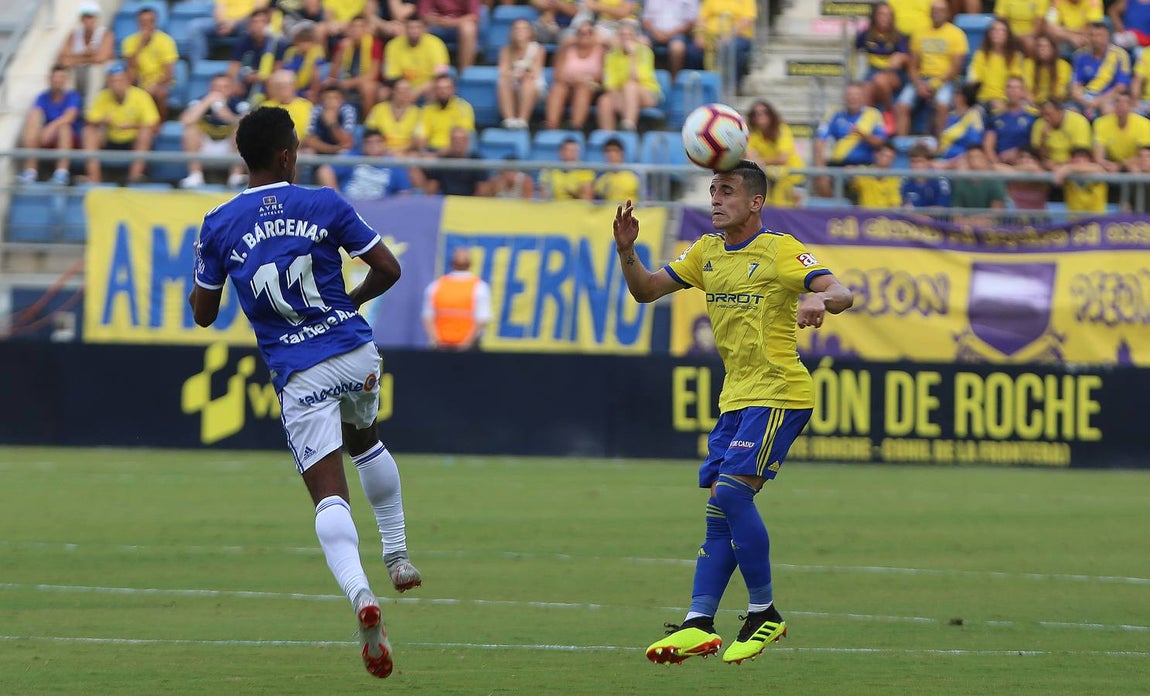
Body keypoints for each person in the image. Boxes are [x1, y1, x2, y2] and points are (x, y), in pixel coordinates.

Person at [188, 106, 420, 681]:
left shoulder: (218, 222)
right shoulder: (325, 202)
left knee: (329, 497)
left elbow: (203, 312)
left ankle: (364, 597)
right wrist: (350, 302)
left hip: (300, 371)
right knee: (366, 440)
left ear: (245, 158)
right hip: (354, 351)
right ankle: (398, 554)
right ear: (289, 155)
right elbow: (388, 268)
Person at [610, 160, 852, 666]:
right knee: (719, 511)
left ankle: (764, 612)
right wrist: (627, 250)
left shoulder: (781, 250)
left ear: (756, 202)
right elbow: (646, 290)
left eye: (727, 191)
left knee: (731, 491)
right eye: (712, 190)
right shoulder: (707, 252)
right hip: (735, 400)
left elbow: (840, 290)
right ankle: (699, 623)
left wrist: (821, 302)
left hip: (780, 392)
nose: (715, 199)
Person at [894, 0, 969, 137]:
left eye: (940, 10)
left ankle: (940, 145)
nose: (936, 13)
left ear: (947, 13)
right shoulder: (919, 33)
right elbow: (913, 65)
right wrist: (918, 84)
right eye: (934, 10)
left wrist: (936, 83)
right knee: (902, 105)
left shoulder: (956, 34)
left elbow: (956, 67)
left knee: (942, 104)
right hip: (922, 78)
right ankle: (901, 143)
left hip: (946, 79)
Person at [81, 64, 160, 184]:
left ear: (127, 81)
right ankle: (94, 177)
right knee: (88, 131)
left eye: (119, 81)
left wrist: (133, 125)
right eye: (112, 81)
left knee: (145, 133)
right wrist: (102, 120)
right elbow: (89, 120)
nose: (116, 85)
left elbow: (154, 125)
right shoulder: (103, 96)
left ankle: (134, 177)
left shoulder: (141, 96)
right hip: (109, 139)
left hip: (132, 141)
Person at [813, 82, 887, 197]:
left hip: (864, 165)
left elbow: (880, 142)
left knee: (856, 178)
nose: (852, 98)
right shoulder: (835, 114)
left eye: (856, 95)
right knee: (820, 179)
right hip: (838, 164)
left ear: (862, 97)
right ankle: (831, 212)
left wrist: (863, 134)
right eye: (849, 95)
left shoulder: (873, 114)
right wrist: (820, 168)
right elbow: (820, 140)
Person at [178, 73, 250, 189]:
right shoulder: (199, 101)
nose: (219, 91)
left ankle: (235, 176)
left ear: (231, 89)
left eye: (224, 87)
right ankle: (196, 175)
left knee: (242, 129)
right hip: (203, 146)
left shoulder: (239, 104)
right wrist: (206, 103)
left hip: (230, 148)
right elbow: (185, 121)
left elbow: (249, 122)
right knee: (190, 129)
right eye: (215, 87)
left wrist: (227, 116)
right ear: (210, 88)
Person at [19, 65, 83, 185]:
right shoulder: (42, 97)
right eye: (55, 77)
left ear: (66, 80)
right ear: (50, 79)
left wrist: (51, 127)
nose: (57, 80)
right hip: (47, 137)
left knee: (64, 128)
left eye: (61, 77)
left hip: (68, 139)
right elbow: (36, 113)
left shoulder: (73, 96)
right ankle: (30, 171)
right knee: (32, 117)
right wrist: (42, 129)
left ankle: (61, 173)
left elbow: (70, 116)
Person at [596, 20, 661, 131]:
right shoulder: (611, 55)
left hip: (646, 93)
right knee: (604, 100)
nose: (626, 38)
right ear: (617, 37)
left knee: (630, 86)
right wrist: (619, 100)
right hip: (622, 95)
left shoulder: (645, 52)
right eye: (622, 35)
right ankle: (609, 137)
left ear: (635, 37)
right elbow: (609, 84)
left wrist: (632, 55)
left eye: (629, 35)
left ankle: (628, 126)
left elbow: (636, 78)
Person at [421, 247, 492, 350]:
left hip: (441, 347)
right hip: (468, 348)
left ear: (452, 263)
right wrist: (465, 345)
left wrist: (437, 342)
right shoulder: (480, 287)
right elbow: (481, 320)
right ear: (470, 264)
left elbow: (428, 318)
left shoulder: (436, 286)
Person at [121, 5, 180, 120]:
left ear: (155, 22)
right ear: (138, 23)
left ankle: (160, 123)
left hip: (161, 82)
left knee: (159, 92)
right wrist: (140, 46)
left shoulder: (166, 41)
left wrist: (152, 85)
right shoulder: (129, 42)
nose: (146, 25)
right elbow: (130, 68)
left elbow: (168, 74)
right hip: (139, 82)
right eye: (143, 22)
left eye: (150, 21)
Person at [317, 129, 415, 198]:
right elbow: (324, 171)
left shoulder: (393, 164)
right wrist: (337, 198)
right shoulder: (353, 156)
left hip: (380, 210)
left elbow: (404, 193)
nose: (373, 146)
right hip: (350, 206)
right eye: (369, 142)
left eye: (377, 142)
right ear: (363, 145)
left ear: (384, 144)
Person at [544, 20, 604, 130]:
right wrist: (574, 79)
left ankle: (576, 125)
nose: (585, 35)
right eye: (581, 32)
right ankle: (551, 126)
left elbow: (601, 77)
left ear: (594, 34)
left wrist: (585, 79)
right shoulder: (567, 49)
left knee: (583, 88)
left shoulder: (600, 51)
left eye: (589, 32)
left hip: (591, 87)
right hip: (568, 85)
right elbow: (557, 75)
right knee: (558, 88)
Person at [744, 100, 805, 208]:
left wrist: (762, 161)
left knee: (789, 212)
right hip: (771, 179)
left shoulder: (782, 130)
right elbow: (749, 155)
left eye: (764, 112)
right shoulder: (755, 135)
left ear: (771, 115)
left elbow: (783, 158)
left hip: (793, 178)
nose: (759, 116)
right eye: (755, 113)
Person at [57, 1, 116, 108]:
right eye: (86, 17)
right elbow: (63, 60)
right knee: (65, 72)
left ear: (96, 18)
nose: (89, 20)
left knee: (94, 70)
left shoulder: (105, 34)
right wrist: (85, 54)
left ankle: (90, 109)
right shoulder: (74, 35)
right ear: (81, 19)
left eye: (91, 17)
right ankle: (71, 108)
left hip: (99, 73)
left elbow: (102, 58)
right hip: (79, 72)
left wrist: (75, 58)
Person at [854, 2, 908, 114]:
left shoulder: (898, 36)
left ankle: (890, 112)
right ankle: (867, 120)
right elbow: (855, 48)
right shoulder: (866, 34)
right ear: (874, 16)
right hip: (873, 70)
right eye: (881, 14)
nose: (884, 18)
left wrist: (900, 58)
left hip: (893, 73)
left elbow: (907, 59)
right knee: (866, 89)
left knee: (880, 80)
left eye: (888, 15)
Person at [1069, 22, 1131, 119]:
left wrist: (1099, 101)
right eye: (1091, 35)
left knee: (1107, 109)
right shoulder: (1080, 55)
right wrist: (1085, 101)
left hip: (1109, 99)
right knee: (1071, 112)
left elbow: (1120, 87)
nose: (1095, 39)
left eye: (1099, 35)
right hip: (1085, 99)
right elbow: (1075, 86)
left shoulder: (1120, 55)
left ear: (1108, 37)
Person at [384, 15, 451, 101]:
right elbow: (392, 77)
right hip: (402, 86)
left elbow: (440, 75)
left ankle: (430, 114)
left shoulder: (436, 44)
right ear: (405, 28)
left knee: (436, 90)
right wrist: (405, 90)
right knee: (384, 92)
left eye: (418, 27)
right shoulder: (393, 45)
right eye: (411, 28)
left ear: (424, 29)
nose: (414, 31)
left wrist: (417, 91)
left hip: (427, 86)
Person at [966, 18, 1025, 112]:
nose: (997, 33)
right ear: (989, 34)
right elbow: (973, 81)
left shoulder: (1015, 57)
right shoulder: (980, 55)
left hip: (1006, 100)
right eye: (994, 30)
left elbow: (1015, 82)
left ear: (1007, 35)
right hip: (983, 100)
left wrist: (1003, 100)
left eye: (1001, 31)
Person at [497, 18, 547, 129]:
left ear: (530, 32)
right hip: (513, 83)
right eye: (517, 29)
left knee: (527, 81)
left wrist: (519, 74)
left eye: (524, 29)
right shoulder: (505, 50)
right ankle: (509, 120)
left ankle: (522, 120)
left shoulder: (538, 49)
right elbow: (503, 72)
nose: (520, 31)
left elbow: (535, 73)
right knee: (503, 82)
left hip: (534, 86)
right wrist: (514, 75)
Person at [328, 14, 383, 111]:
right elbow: (333, 75)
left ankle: (367, 122)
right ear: (349, 30)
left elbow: (372, 75)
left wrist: (349, 83)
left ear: (366, 29)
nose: (356, 30)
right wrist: (341, 51)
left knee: (368, 87)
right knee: (328, 85)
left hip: (365, 84)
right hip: (345, 81)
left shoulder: (374, 44)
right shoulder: (344, 45)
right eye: (353, 26)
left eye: (360, 26)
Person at [228, 7, 282, 102]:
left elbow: (278, 71)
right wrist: (235, 83)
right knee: (229, 85)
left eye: (262, 22)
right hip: (247, 81)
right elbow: (233, 67)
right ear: (249, 25)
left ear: (269, 25)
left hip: (266, 82)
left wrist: (259, 77)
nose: (259, 25)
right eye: (255, 22)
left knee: (275, 82)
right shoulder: (244, 41)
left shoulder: (277, 43)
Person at [190, 0, 266, 65]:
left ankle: (245, 66)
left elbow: (258, 12)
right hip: (225, 22)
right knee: (195, 26)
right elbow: (219, 9)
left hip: (246, 22)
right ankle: (199, 66)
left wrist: (234, 23)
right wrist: (222, 23)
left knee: (255, 26)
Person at [984, 76, 1039, 165]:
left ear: (1023, 92)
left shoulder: (1033, 117)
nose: (1013, 91)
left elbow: (1036, 144)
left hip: (1024, 163)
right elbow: (988, 146)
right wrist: (996, 163)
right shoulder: (995, 117)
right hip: (999, 165)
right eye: (1009, 87)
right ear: (1005, 91)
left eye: (1017, 88)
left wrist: (1016, 152)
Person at [364, 77, 425, 154]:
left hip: (406, 153)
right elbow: (370, 133)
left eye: (408, 90)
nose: (405, 94)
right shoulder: (379, 109)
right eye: (401, 91)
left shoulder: (417, 112)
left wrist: (401, 151)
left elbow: (418, 139)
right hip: (381, 152)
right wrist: (384, 150)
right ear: (393, 91)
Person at [1093, 91, 1150, 172]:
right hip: (1111, 163)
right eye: (1117, 101)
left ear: (1131, 105)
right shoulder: (1101, 123)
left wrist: (1119, 165)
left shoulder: (1144, 124)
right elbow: (1098, 155)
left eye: (1125, 102)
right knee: (1098, 168)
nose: (1121, 105)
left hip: (1134, 163)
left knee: (1135, 167)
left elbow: (1144, 154)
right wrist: (1105, 164)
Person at [640, 0, 699, 78]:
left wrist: (671, 33)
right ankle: (644, 77)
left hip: (677, 33)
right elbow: (645, 20)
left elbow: (691, 22)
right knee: (641, 43)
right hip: (653, 32)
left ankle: (674, 80)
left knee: (677, 48)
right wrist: (656, 32)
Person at [419, 0, 481, 72]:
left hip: (459, 24)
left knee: (469, 28)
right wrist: (436, 19)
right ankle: (421, 72)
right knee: (418, 27)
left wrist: (452, 22)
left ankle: (464, 73)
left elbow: (474, 16)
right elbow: (423, 14)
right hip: (437, 24)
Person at [419, 74, 476, 152]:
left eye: (446, 88)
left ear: (453, 89)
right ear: (434, 90)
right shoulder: (427, 109)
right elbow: (422, 136)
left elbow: (462, 139)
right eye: (439, 88)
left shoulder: (463, 108)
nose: (443, 91)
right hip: (432, 150)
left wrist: (438, 155)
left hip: (454, 152)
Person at [422, 127, 488, 195]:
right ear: (450, 141)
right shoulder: (442, 161)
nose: (458, 143)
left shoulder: (476, 161)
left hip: (469, 201)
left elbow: (482, 188)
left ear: (467, 141)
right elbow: (432, 186)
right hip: (447, 201)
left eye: (461, 140)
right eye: (455, 140)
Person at [952, 146, 1008, 224]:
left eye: (978, 156)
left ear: (985, 158)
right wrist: (966, 221)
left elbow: (997, 211)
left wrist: (976, 220)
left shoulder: (995, 180)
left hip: (989, 226)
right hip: (965, 225)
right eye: (971, 157)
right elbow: (956, 212)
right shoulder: (961, 182)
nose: (974, 160)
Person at [276, 20, 329, 102]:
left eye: (307, 42)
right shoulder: (291, 52)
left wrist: (313, 92)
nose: (304, 45)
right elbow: (285, 69)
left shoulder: (317, 53)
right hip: (290, 86)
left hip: (306, 90)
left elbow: (316, 76)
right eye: (301, 42)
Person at [303, 84, 358, 154]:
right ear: (322, 100)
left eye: (335, 98)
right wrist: (333, 149)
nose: (331, 101)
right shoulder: (317, 110)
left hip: (342, 153)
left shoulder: (348, 111)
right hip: (324, 150)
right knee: (307, 151)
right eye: (327, 98)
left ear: (342, 100)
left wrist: (332, 123)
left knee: (344, 152)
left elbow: (347, 142)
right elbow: (309, 140)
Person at [263, 69, 315, 139]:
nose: (283, 89)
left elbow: (311, 131)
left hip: (303, 146)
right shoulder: (266, 106)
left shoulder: (306, 105)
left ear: (293, 87)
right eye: (279, 86)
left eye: (287, 85)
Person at [1054, 146, 1107, 213]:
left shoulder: (1098, 170)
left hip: (1096, 220)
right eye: (1075, 157)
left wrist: (1068, 167)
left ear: (1090, 160)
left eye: (1082, 156)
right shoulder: (1066, 173)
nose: (1078, 159)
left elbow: (1099, 168)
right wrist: (1067, 168)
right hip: (1075, 221)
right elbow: (1054, 168)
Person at [849, 142, 903, 208]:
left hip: (887, 216)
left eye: (890, 157)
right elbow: (852, 179)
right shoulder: (863, 171)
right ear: (876, 154)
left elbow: (895, 203)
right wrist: (851, 172)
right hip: (865, 216)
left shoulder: (894, 178)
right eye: (884, 155)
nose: (887, 159)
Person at [1023, 34, 1073, 104]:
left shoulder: (1063, 65)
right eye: (1039, 46)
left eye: (1046, 46)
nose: (1042, 49)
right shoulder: (1028, 63)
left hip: (1055, 104)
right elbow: (1027, 88)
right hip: (1033, 104)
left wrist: (1046, 106)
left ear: (1053, 49)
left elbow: (1060, 91)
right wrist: (1034, 103)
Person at [901, 142, 951, 208]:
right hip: (908, 218)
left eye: (920, 161)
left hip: (934, 218)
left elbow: (940, 209)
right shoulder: (905, 181)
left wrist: (917, 215)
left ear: (929, 162)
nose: (916, 165)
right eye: (913, 161)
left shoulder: (940, 181)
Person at [594, 136, 641, 201]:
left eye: (615, 151)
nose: (611, 154)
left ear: (622, 153)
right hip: (608, 210)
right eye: (608, 151)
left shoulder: (635, 175)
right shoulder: (600, 177)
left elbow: (647, 198)